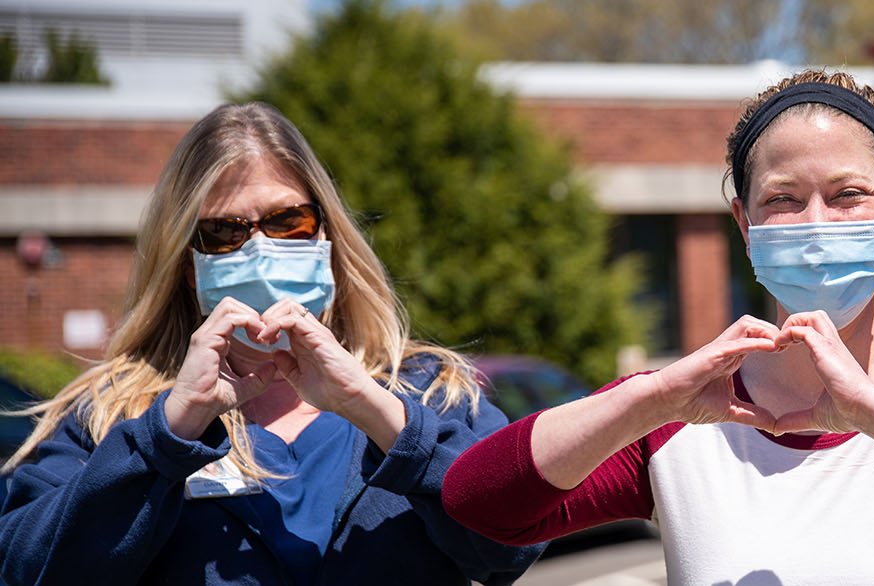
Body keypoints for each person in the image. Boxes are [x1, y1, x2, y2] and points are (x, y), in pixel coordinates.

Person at [442, 70, 874, 584]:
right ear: (744, 224)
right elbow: (481, 503)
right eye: (783, 201)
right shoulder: (685, 416)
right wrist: (647, 399)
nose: (818, 224)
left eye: (849, 195)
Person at [0, 103, 543, 585]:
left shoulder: (430, 389)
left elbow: (512, 544)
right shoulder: (113, 414)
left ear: (326, 237)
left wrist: (377, 411)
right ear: (188, 265)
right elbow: (24, 569)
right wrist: (165, 437)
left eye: (288, 221)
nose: (259, 249)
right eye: (224, 232)